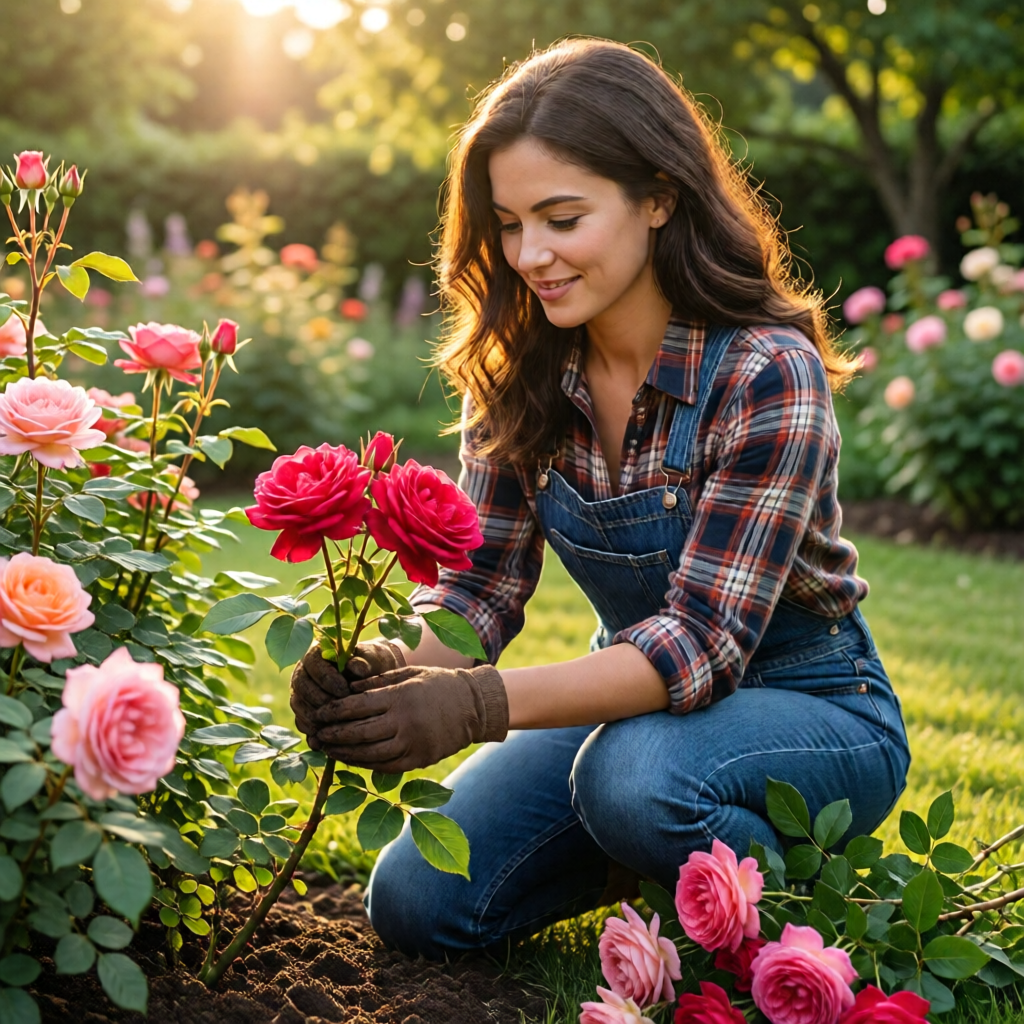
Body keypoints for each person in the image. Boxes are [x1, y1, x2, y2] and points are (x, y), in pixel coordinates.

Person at [289, 38, 910, 960]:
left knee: (632, 778)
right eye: (507, 225)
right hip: (636, 705)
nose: (531, 255)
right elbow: (477, 592)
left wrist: (471, 709)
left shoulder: (765, 372)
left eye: (562, 218)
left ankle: (797, 921)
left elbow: (702, 641)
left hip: (813, 705)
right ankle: (649, 862)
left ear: (659, 195)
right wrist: (385, 671)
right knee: (416, 899)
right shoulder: (522, 367)